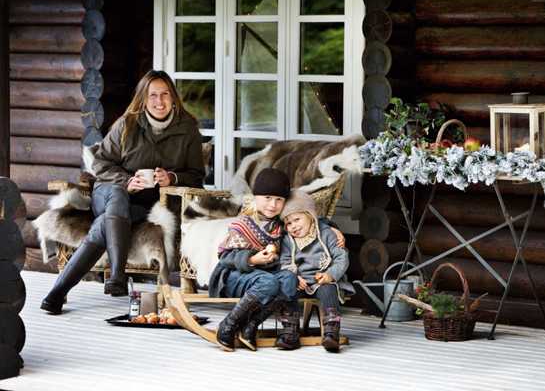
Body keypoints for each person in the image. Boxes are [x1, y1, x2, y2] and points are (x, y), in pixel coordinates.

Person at [41, 70, 205, 314]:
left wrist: (171, 177)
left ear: (173, 98)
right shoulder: (126, 124)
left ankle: (56, 294)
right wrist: (126, 181)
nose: (159, 102)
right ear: (143, 98)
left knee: (101, 227)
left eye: (165, 95)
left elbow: (196, 174)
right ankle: (118, 273)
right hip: (108, 191)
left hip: (145, 204)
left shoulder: (188, 127)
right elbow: (100, 164)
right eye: (153, 96)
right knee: (117, 196)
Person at [208, 168, 299, 352]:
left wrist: (332, 228)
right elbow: (225, 258)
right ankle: (228, 325)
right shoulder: (243, 222)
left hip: (262, 278)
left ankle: (251, 325)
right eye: (267, 197)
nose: (273, 205)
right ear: (256, 196)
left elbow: (311, 219)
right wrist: (252, 259)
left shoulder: (279, 225)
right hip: (233, 276)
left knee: (289, 278)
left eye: (279, 199)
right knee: (269, 281)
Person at [279, 190, 355, 352]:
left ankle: (331, 333)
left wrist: (330, 275)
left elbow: (342, 258)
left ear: (310, 216)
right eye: (288, 223)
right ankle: (290, 333)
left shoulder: (326, 234)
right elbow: (284, 261)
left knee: (328, 292)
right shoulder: (287, 240)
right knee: (287, 291)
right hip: (300, 281)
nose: (293, 226)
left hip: (323, 280)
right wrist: (293, 277)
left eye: (297, 219)